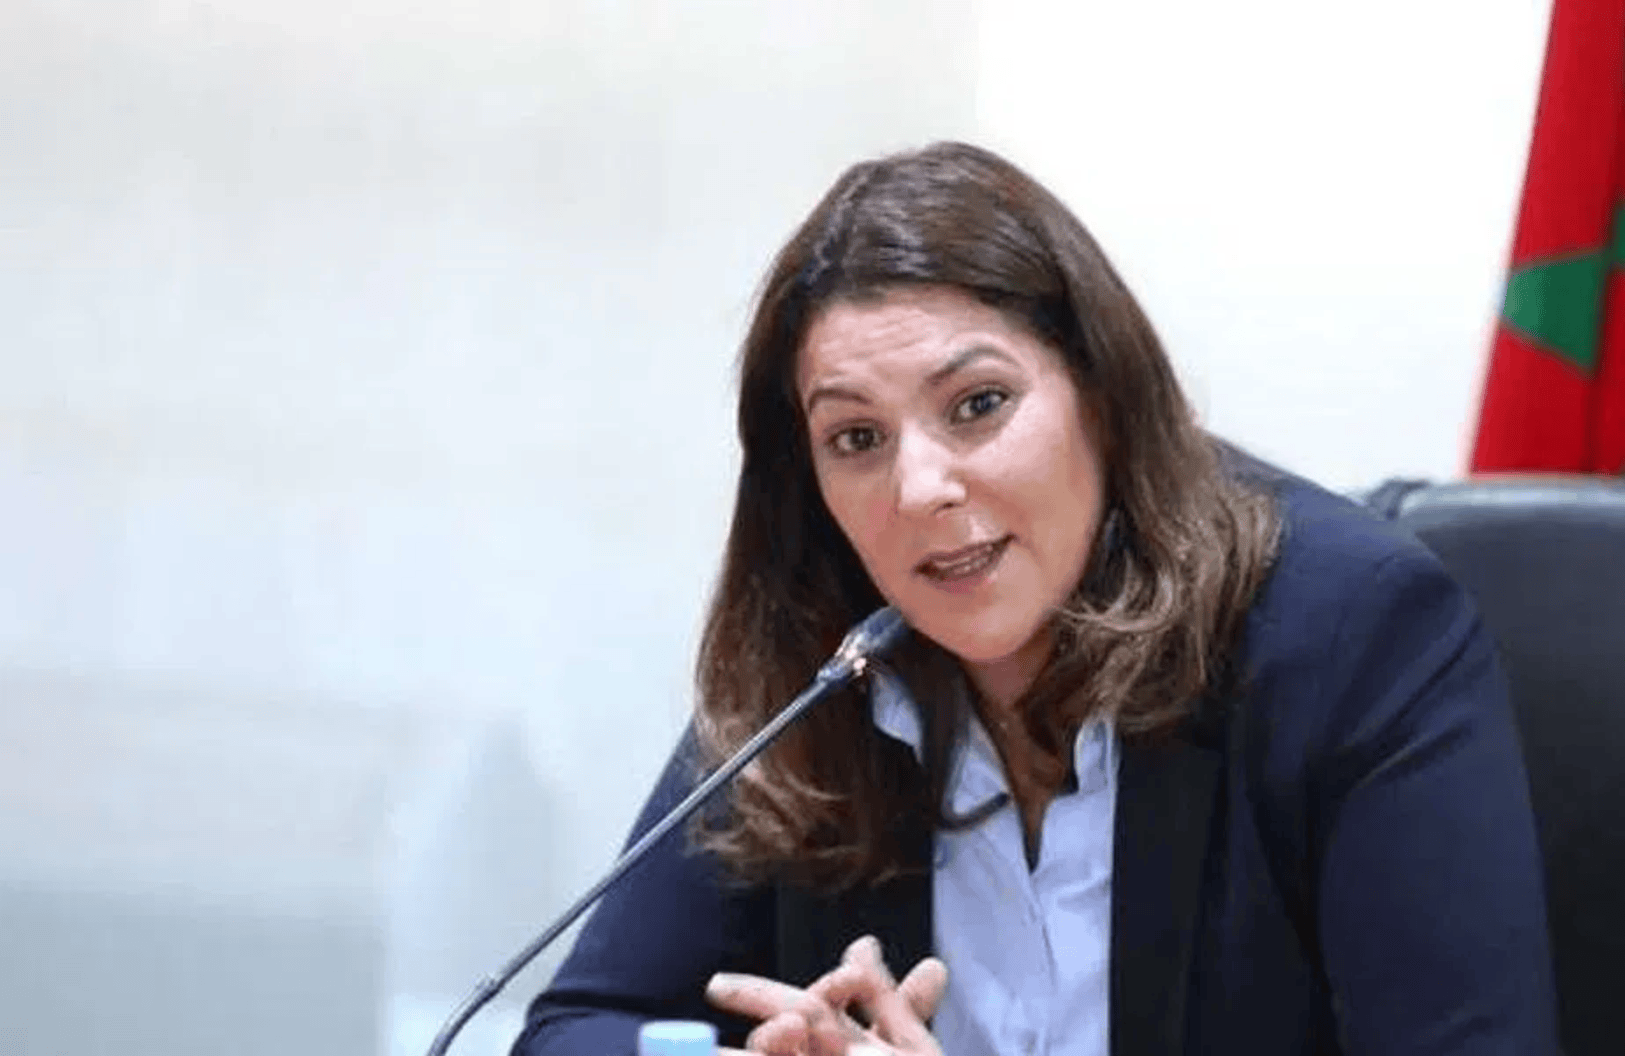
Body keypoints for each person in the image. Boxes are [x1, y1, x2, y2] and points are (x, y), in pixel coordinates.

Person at [512, 141, 1560, 1056]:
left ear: (1102, 394)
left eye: (978, 405)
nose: (920, 489)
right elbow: (577, 1029)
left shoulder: (1354, 638)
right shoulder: (828, 662)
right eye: (856, 438)